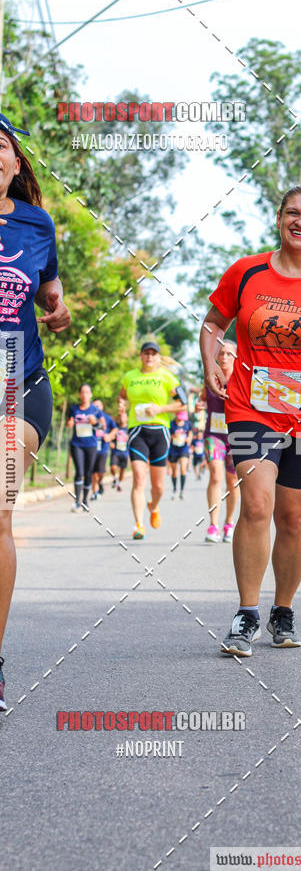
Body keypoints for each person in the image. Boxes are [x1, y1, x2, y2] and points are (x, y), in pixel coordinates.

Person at [200, 183, 301, 657]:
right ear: (279, 219)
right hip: (251, 408)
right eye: (293, 213)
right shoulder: (247, 271)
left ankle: (283, 610)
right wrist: (212, 362)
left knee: (293, 519)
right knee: (256, 504)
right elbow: (214, 323)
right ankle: (246, 614)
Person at [0, 113, 71, 711]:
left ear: (17, 162)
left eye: (0, 146)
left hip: (14, 377)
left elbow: (49, 287)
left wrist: (58, 305)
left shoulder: (36, 223)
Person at [120, 342, 185, 539]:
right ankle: (139, 525)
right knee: (139, 478)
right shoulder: (130, 377)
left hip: (160, 432)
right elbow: (122, 397)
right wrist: (122, 407)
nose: (149, 357)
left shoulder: (167, 377)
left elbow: (182, 404)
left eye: (153, 354)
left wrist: (160, 409)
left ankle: (154, 506)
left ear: (158, 358)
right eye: (146, 353)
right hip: (137, 430)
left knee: (158, 486)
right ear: (140, 356)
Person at [201, 341, 239, 543]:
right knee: (216, 475)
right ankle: (213, 525)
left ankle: (229, 522)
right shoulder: (210, 378)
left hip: (237, 435)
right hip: (213, 434)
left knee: (232, 480)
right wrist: (200, 404)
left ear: (235, 357)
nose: (224, 357)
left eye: (228, 354)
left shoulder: (242, 379)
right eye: (221, 353)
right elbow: (203, 397)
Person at [66, 384, 101, 511]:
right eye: (82, 392)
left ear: (91, 394)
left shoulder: (96, 410)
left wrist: (95, 423)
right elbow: (68, 423)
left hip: (91, 445)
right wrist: (69, 423)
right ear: (79, 394)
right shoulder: (74, 409)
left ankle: (85, 500)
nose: (84, 395)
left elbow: (102, 428)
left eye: (87, 392)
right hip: (77, 444)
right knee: (79, 472)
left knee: (88, 473)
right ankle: (77, 501)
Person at [91, 398, 116, 500]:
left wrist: (109, 436)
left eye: (98, 406)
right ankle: (94, 492)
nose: (97, 408)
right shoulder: (89, 416)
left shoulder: (107, 418)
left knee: (101, 472)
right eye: (95, 406)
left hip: (103, 448)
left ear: (102, 407)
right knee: (92, 471)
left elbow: (115, 429)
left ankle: (100, 482)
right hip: (91, 447)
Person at [168, 409, 193, 500]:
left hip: (184, 449)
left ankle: (182, 490)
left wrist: (189, 439)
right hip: (173, 449)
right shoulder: (171, 424)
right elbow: (168, 435)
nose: (180, 420)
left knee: (183, 468)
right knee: (174, 471)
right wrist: (173, 436)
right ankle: (175, 489)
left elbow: (190, 433)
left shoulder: (187, 424)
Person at [110, 403, 130, 492]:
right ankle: (115, 478)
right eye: (121, 416)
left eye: (124, 416)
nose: (122, 418)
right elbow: (111, 435)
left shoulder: (129, 429)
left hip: (125, 452)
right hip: (115, 451)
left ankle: (120, 483)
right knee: (113, 467)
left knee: (122, 469)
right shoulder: (115, 427)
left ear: (127, 419)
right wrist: (111, 442)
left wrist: (128, 439)